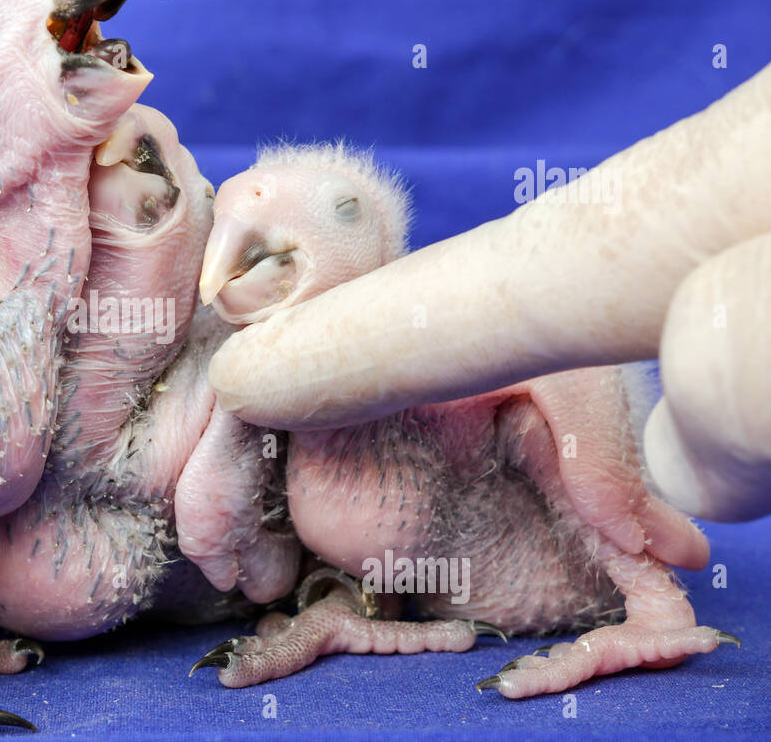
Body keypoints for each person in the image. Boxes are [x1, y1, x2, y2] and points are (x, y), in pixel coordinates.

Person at [208, 63, 771, 524]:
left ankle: (646, 601)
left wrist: (615, 504)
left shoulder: (456, 378)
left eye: (343, 210)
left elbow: (571, 374)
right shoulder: (248, 401)